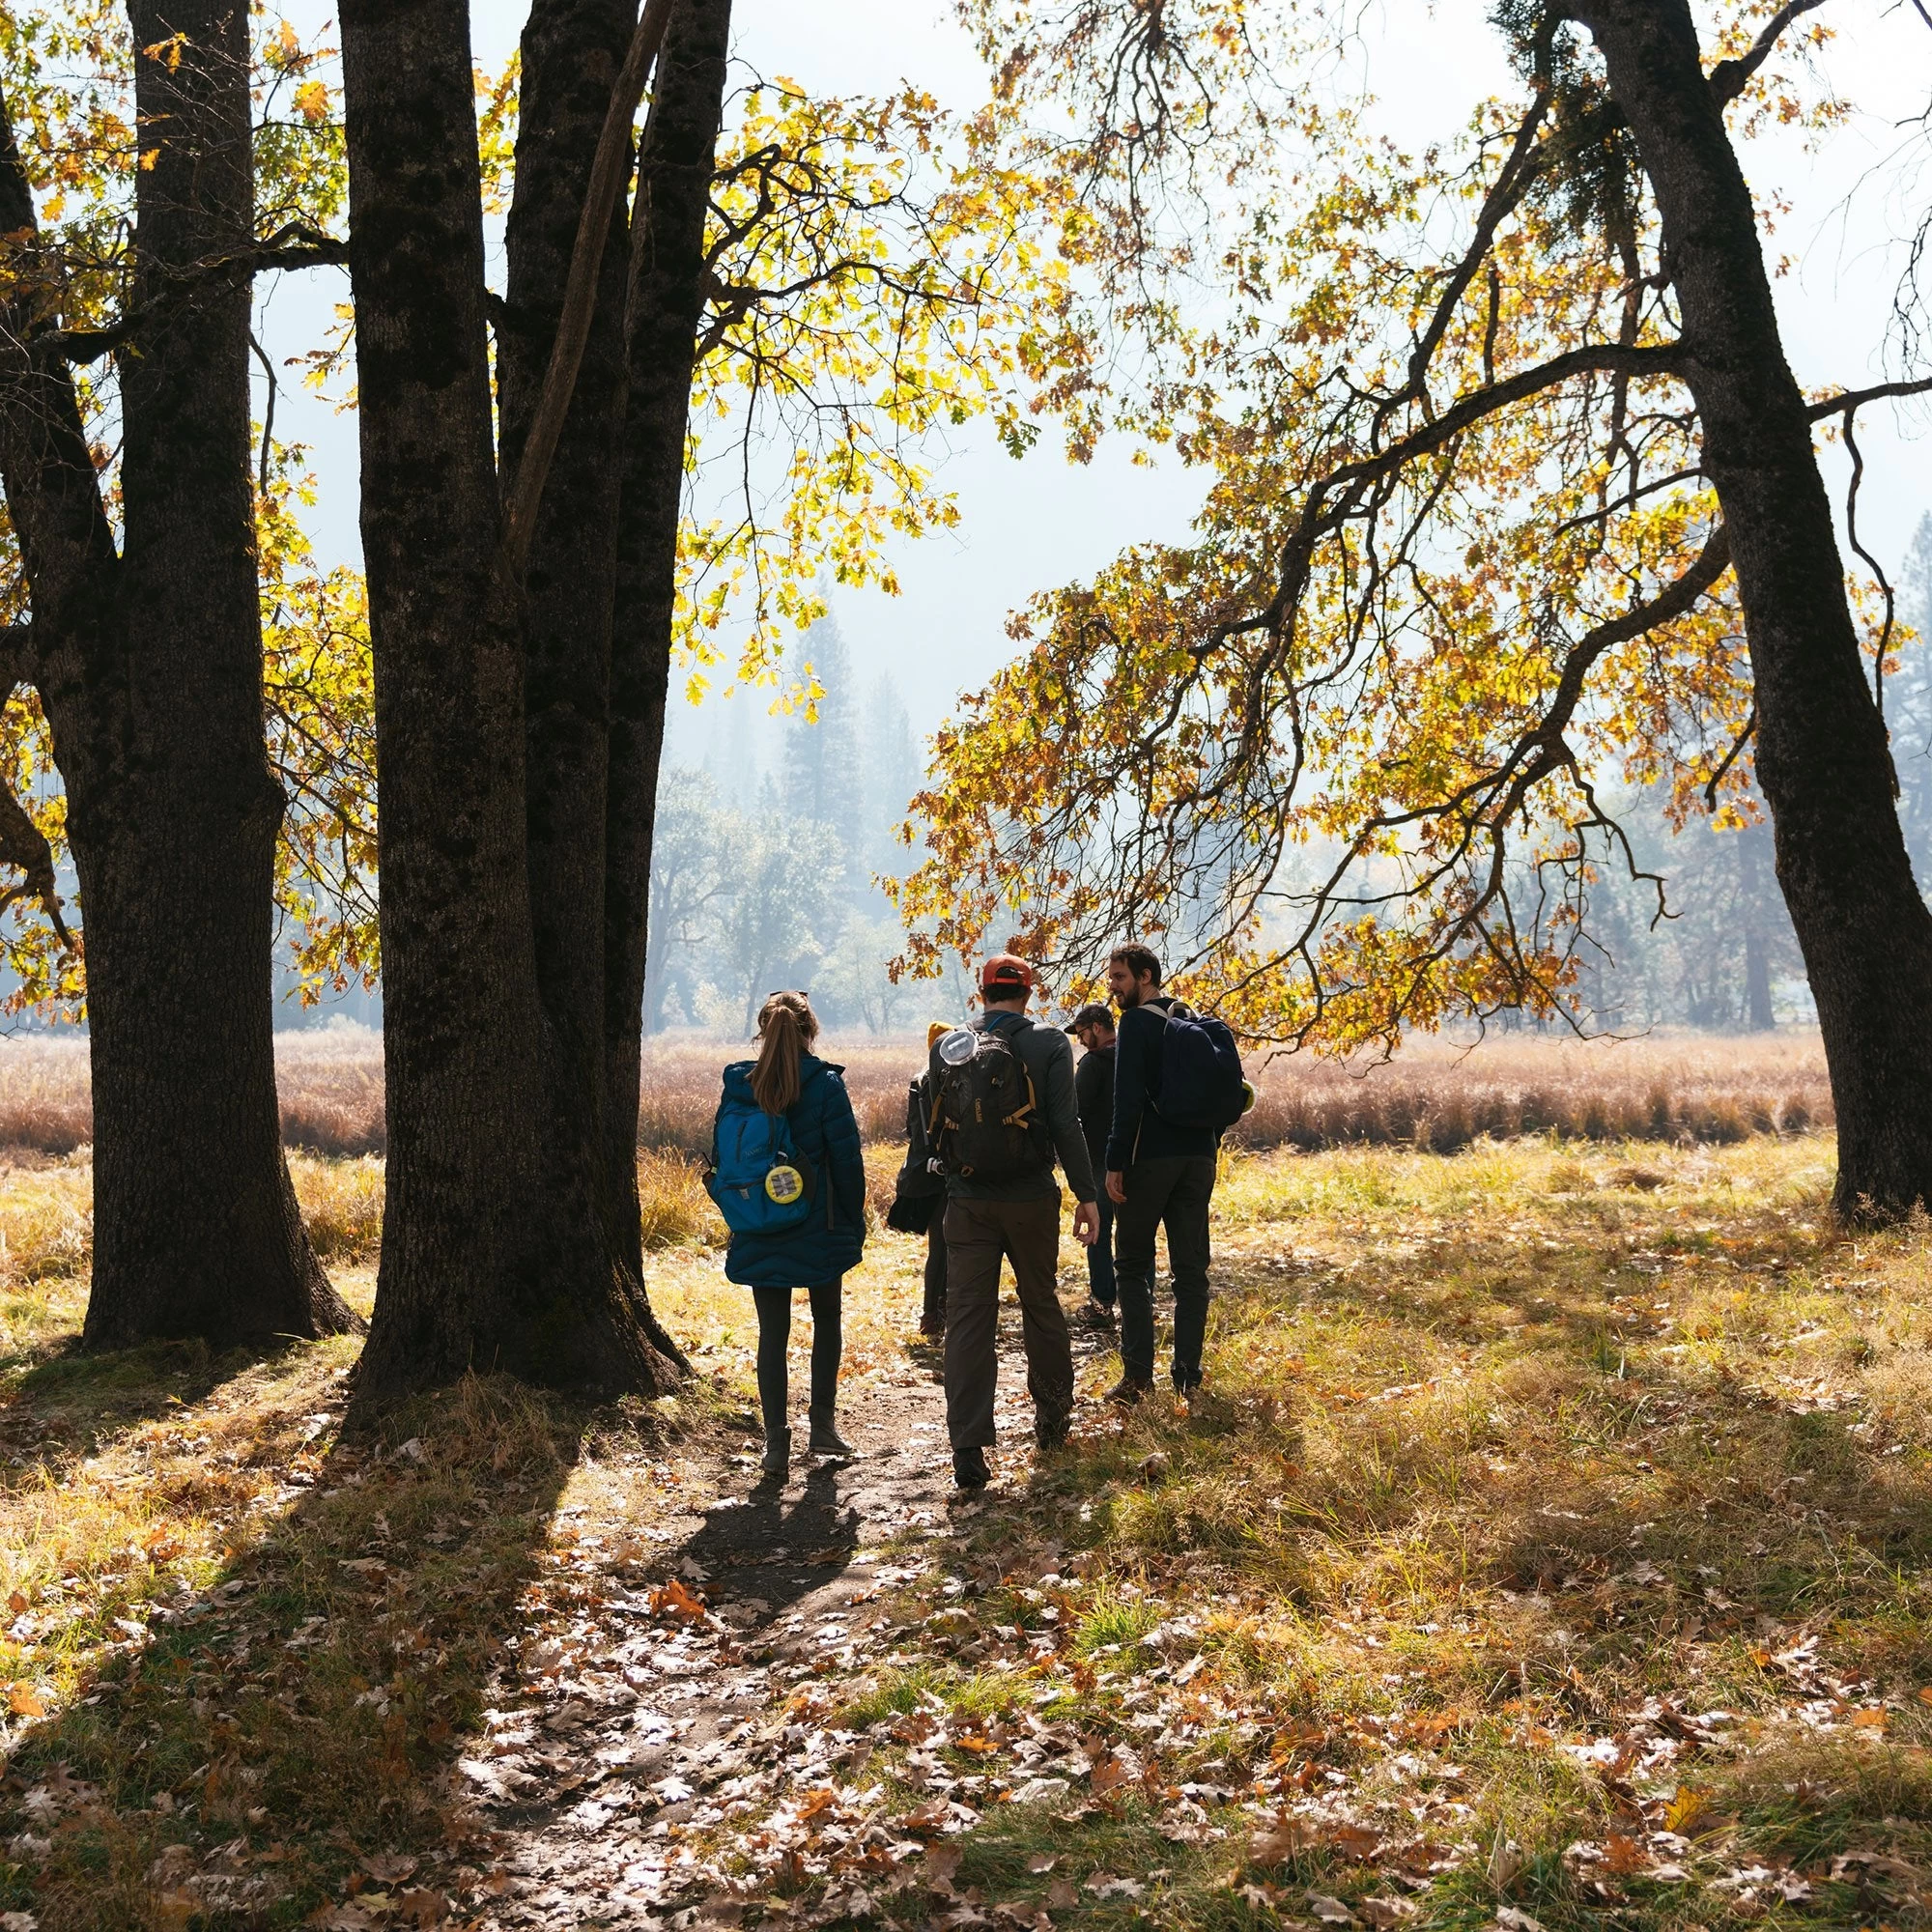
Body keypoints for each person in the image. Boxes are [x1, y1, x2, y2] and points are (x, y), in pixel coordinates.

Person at [933, 954, 1100, 1490]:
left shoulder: (950, 1045)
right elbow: (1066, 1125)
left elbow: (932, 1125)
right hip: (1031, 1198)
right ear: (1029, 994)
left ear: (981, 993)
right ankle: (1051, 1423)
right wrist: (1086, 1193)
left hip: (966, 1200)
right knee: (1040, 1304)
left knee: (967, 1318)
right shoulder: (1050, 1043)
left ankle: (967, 1448)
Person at [716, 991, 866, 1477]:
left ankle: (775, 1444)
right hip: (818, 1224)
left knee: (772, 1334)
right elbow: (846, 1160)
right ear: (811, 1031)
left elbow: (725, 1159)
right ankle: (822, 1428)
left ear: (763, 1032)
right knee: (826, 1319)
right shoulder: (824, 1084)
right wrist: (853, 1216)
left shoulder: (741, 1085)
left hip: (759, 1221)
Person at [1104, 944, 1218, 1403]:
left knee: (1132, 1264)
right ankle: (1188, 1376)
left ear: (1145, 976)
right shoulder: (1189, 1018)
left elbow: (1126, 1099)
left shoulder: (1135, 1023)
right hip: (1198, 1159)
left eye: (1120, 978)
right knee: (1191, 1270)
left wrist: (1114, 1163)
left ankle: (1137, 1379)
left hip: (1149, 1160)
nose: (1113, 987)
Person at [886, 1021, 952, 1338]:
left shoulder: (920, 1079)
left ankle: (933, 1316)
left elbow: (915, 1129)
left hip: (930, 1172)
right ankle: (938, 1314)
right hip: (949, 1171)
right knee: (948, 1245)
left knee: (939, 1246)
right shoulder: (945, 1077)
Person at [1065, 1002, 1119, 1329]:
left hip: (1099, 1161)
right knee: (1135, 1236)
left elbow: (1075, 1112)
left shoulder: (1093, 1064)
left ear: (1097, 1027)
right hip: (1137, 1161)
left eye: (1083, 1033)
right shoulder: (1136, 1057)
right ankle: (1139, 1301)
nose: (1082, 1040)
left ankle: (1102, 1304)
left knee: (1099, 1233)